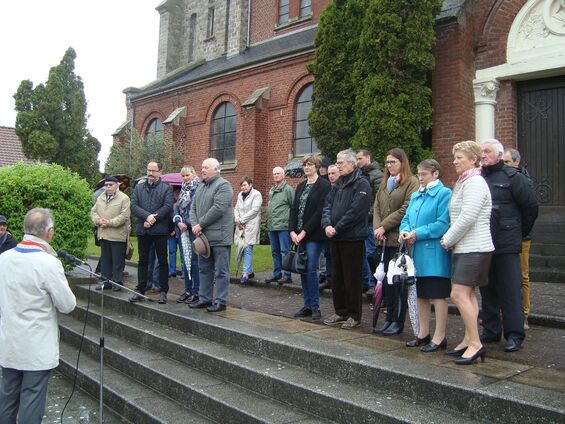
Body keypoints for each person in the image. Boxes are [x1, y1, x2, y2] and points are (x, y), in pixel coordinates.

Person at [0, 208, 76, 423]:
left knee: (7, 396)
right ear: (49, 232)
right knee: (32, 399)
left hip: (8, 341)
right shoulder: (48, 263)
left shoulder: (4, 258)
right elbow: (67, 305)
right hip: (36, 346)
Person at [479, 139, 538, 353]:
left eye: (487, 151)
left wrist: (516, 234)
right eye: (481, 151)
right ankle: (491, 330)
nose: (483, 155)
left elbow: (530, 208)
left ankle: (514, 334)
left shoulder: (514, 178)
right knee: (487, 289)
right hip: (484, 242)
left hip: (506, 243)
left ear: (498, 154)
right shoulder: (479, 177)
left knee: (510, 290)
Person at [441, 140, 494, 365]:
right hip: (467, 247)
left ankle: (476, 344)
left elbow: (467, 217)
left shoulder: (475, 182)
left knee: (458, 294)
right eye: (454, 157)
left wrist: (447, 239)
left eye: (459, 157)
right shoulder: (465, 182)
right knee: (469, 294)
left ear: (473, 159)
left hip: (475, 247)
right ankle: (468, 339)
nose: (454, 161)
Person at [399, 160, 451, 352]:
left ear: (436, 174)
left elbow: (442, 223)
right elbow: (406, 218)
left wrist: (417, 233)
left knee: (437, 296)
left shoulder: (444, 194)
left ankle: (440, 337)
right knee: (421, 295)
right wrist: (404, 231)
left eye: (424, 174)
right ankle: (422, 333)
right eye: (419, 174)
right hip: (417, 253)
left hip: (434, 253)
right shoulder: (415, 195)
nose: (420, 178)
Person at [322, 149, 371, 330]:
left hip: (352, 238)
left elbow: (356, 212)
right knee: (337, 276)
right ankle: (340, 311)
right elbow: (327, 205)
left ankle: (354, 314)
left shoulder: (361, 184)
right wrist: (327, 224)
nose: (338, 165)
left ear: (352, 164)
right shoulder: (337, 184)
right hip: (335, 237)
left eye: (341, 163)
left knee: (352, 278)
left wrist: (337, 227)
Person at [373, 148, 419, 336]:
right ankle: (389, 318)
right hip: (383, 239)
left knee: (398, 283)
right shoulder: (385, 183)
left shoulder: (411, 182)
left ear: (402, 162)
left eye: (393, 162)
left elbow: (406, 209)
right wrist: (378, 229)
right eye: (387, 162)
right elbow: (376, 206)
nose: (389, 165)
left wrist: (384, 226)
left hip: (398, 240)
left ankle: (398, 321)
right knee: (386, 284)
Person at [289, 155, 331, 320]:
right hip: (298, 235)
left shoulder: (324, 185)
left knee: (311, 268)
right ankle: (306, 304)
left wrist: (304, 232)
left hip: (313, 235)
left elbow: (319, 211)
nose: (307, 168)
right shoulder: (300, 186)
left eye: (310, 165)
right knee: (302, 269)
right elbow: (293, 209)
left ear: (317, 167)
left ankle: (315, 306)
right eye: (305, 165)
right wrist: (292, 230)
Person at [189, 158, 234, 312]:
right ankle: (205, 299)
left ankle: (221, 302)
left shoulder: (224, 185)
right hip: (204, 238)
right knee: (204, 269)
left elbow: (219, 208)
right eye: (202, 167)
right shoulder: (201, 187)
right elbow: (192, 208)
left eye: (206, 167)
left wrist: (200, 224)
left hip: (220, 238)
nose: (203, 170)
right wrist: (195, 225)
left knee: (221, 271)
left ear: (216, 169)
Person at [129, 160, 174, 304]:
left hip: (160, 230)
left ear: (160, 172)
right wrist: (146, 216)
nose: (150, 173)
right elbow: (134, 206)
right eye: (149, 170)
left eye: (154, 171)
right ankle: (141, 289)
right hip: (144, 230)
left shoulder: (166, 188)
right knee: (142, 261)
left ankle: (163, 291)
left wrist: (154, 218)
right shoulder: (139, 188)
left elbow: (167, 206)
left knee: (162, 261)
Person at [502, 147, 534, 330]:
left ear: (516, 162)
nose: (505, 165)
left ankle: (524, 315)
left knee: (522, 276)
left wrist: (522, 232)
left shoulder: (524, 181)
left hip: (521, 236)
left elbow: (530, 210)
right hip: (504, 235)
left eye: (507, 162)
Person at [91, 175, 131, 291]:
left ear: (117, 185)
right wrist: (98, 221)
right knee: (105, 260)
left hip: (117, 235)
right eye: (107, 185)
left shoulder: (124, 198)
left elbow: (124, 216)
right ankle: (105, 281)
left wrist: (110, 222)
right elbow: (93, 212)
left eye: (111, 185)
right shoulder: (100, 198)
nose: (108, 187)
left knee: (117, 261)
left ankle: (117, 282)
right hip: (103, 233)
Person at [356, 149, 384, 296]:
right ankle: (365, 281)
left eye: (360, 158)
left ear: (368, 157)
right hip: (360, 220)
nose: (357, 161)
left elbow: (379, 200)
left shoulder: (377, 175)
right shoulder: (359, 174)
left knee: (370, 252)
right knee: (362, 253)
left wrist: (369, 215)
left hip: (370, 220)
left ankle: (375, 283)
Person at [173, 165, 201, 304]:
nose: (185, 178)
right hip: (182, 230)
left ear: (193, 174)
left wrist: (187, 223)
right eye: (183, 176)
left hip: (193, 229)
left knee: (195, 261)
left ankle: (196, 291)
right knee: (185, 261)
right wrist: (178, 221)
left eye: (187, 175)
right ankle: (188, 289)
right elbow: (177, 207)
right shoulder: (182, 190)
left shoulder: (199, 188)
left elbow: (198, 209)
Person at [265, 166, 295, 285]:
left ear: (283, 175)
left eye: (278, 173)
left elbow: (293, 207)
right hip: (272, 226)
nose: (276, 176)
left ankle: (287, 275)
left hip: (283, 226)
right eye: (274, 174)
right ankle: (277, 273)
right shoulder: (272, 190)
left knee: (285, 251)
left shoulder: (288, 189)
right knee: (275, 251)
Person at [234, 176, 263, 285]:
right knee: (241, 248)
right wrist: (237, 219)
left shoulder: (256, 194)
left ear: (250, 185)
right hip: (240, 226)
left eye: (245, 185)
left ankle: (245, 274)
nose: (243, 187)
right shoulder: (240, 195)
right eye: (241, 185)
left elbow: (255, 210)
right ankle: (250, 272)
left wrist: (241, 220)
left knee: (247, 248)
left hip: (250, 226)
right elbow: (236, 208)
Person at [319, 164, 339, 291]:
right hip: (327, 227)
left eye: (334, 173)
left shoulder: (342, 187)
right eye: (329, 174)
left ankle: (337, 280)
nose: (331, 176)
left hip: (339, 227)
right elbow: (324, 207)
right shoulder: (326, 188)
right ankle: (329, 278)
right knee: (327, 254)